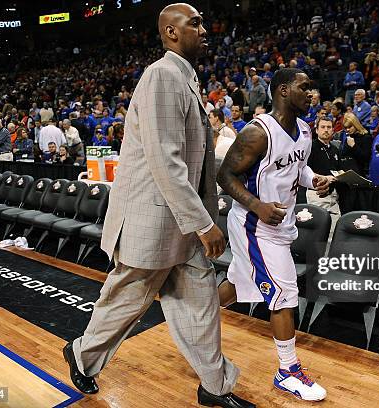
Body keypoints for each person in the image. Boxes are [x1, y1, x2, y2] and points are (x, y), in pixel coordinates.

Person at [63, 5, 253, 408]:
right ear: (170, 32)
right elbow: (166, 161)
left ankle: (214, 386)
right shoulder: (162, 76)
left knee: (200, 304)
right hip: (155, 218)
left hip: (182, 221)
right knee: (127, 301)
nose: (205, 28)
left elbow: (195, 158)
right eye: (194, 23)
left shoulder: (186, 78)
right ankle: (82, 354)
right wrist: (204, 223)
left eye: (204, 20)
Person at [216, 68, 329, 402]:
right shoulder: (258, 132)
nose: (311, 93)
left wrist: (313, 180)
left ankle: (194, 320)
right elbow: (225, 175)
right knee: (284, 294)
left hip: (281, 224)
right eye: (304, 87)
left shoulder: (306, 131)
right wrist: (257, 206)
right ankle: (288, 371)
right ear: (283, 90)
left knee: (238, 284)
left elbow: (297, 168)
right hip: (255, 226)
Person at [306, 116, 341, 217]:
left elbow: (338, 170)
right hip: (316, 193)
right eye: (323, 127)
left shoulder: (335, 149)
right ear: (316, 130)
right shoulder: (310, 147)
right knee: (319, 229)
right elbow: (304, 170)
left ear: (333, 130)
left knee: (334, 229)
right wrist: (324, 178)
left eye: (329, 127)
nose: (326, 130)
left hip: (333, 195)